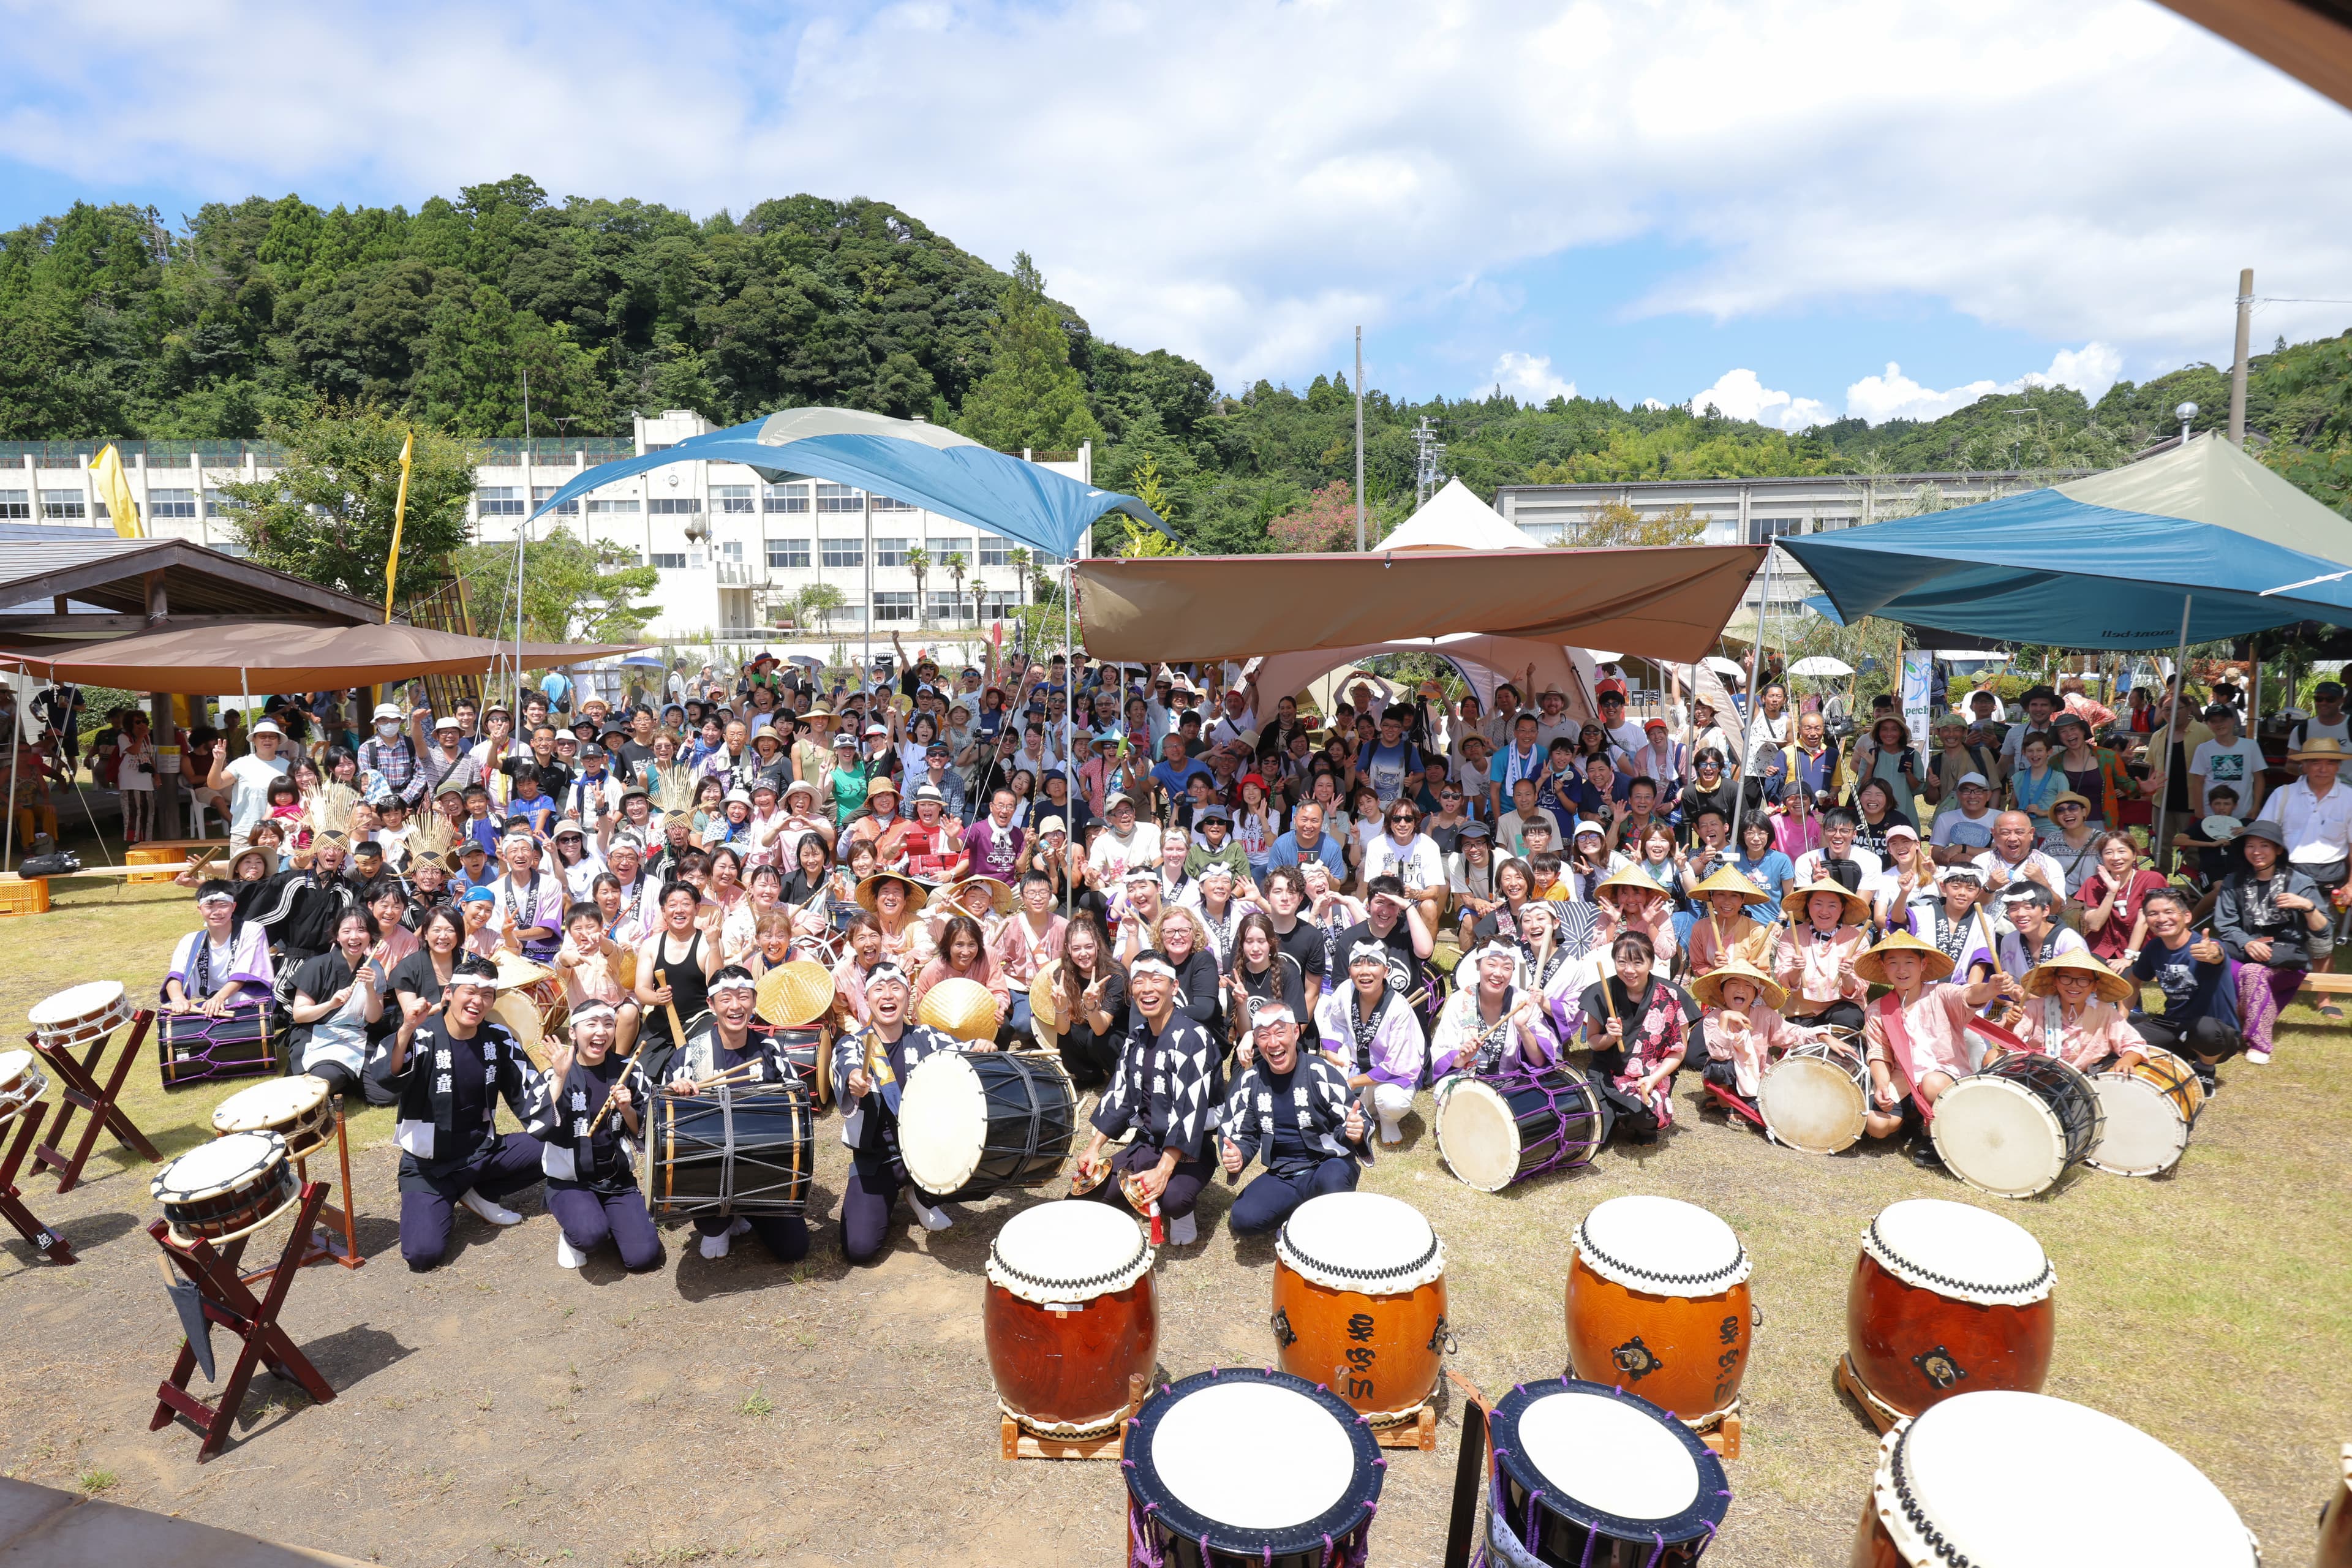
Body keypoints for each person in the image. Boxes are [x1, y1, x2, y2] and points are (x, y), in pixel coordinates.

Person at [381, 954, 552, 1272]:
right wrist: (406, 1029)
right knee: (422, 1256)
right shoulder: (423, 1035)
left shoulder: (498, 1038)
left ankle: (479, 1191)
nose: (478, 1001)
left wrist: (564, 1107)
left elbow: (528, 1092)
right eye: (470, 992)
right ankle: (451, 1194)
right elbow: (385, 1077)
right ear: (449, 993)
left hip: (481, 1152)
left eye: (487, 995)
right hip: (428, 1167)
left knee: (557, 1142)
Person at [664, 966, 813, 1262]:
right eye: (726, 999)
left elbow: (798, 1101)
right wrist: (675, 1090)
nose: (736, 1006)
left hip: (764, 1168)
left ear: (754, 1001)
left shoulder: (769, 1049)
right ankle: (716, 1223)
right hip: (710, 1170)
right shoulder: (692, 1054)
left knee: (794, 1249)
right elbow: (662, 1114)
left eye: (743, 997)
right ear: (711, 1004)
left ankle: (749, 1210)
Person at [1073, 952, 1221, 1245]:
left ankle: (1178, 1205)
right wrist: (1093, 1149)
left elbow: (1188, 1115)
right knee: (1083, 1194)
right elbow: (1119, 1096)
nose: (1147, 988)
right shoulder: (1136, 1038)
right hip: (1146, 1142)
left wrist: (1163, 1172)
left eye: (1157, 980)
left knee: (1174, 1200)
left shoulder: (1193, 1038)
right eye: (1139, 981)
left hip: (1190, 1148)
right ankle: (1143, 1180)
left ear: (1174, 987)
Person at [1216, 998, 1369, 1236]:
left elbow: (1354, 1119)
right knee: (1244, 1218)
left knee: (1336, 1179)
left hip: (1326, 1165)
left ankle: (1320, 1220)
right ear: (1256, 1040)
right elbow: (1241, 1134)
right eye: (1264, 1036)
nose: (1273, 1043)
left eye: (1280, 1032)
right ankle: (1301, 1213)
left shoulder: (1319, 1072)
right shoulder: (1250, 1081)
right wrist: (1237, 1154)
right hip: (1283, 1173)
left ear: (1296, 1032)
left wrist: (1356, 1133)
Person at [1856, 929, 2002, 1166]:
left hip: (1944, 1078)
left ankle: (1935, 1137)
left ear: (1923, 965)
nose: (1901, 970)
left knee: (1932, 1083)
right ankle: (1913, 1119)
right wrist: (1882, 1084)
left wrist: (1990, 988)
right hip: (1904, 1080)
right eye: (1893, 962)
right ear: (1883, 967)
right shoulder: (1877, 1008)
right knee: (1876, 1125)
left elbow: (1970, 995)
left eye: (1909, 962)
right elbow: (1879, 1053)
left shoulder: (1942, 994)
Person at [537, 1001, 662, 1273]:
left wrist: (628, 1109)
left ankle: (605, 1216)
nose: (601, 1032)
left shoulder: (629, 1069)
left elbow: (643, 1128)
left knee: (644, 1258)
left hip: (616, 1178)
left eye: (608, 1024)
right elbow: (540, 1126)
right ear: (573, 1033)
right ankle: (575, 1232)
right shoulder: (556, 1072)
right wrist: (558, 1078)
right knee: (590, 1236)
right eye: (591, 1024)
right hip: (570, 1181)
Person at [2212, 819, 2327, 1066]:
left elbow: (2324, 930)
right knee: (2212, 959)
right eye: (2250, 845)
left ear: (2278, 849)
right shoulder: (2234, 881)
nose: (2256, 852)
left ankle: (2258, 1041)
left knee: (2254, 974)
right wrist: (2248, 943)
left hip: (2284, 957)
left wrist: (2306, 906)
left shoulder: (2299, 883)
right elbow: (2225, 924)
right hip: (2244, 952)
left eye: (2264, 845)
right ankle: (2216, 1028)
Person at [1577, 932, 1697, 1145]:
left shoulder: (1672, 995)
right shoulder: (1600, 991)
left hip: (1650, 1075)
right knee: (1594, 1133)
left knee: (1644, 1118)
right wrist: (1611, 1038)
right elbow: (1594, 1042)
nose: (1629, 970)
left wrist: (1653, 1079)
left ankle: (1630, 1118)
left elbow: (1678, 1051)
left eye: (1638, 963)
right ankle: (1613, 1116)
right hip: (1607, 1073)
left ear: (1651, 962)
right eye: (1621, 962)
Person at [2125, 888, 2241, 1093]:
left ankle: (2205, 1068)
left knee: (2205, 1030)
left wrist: (2213, 953)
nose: (2162, 919)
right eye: (2153, 914)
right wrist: (2119, 1021)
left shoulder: (2205, 946)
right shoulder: (2154, 948)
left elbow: (2217, 954)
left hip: (2218, 1035)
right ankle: (2178, 1058)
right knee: (2121, 1037)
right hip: (2174, 1027)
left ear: (2187, 916)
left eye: (2169, 912)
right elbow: (2133, 982)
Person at [1312, 940, 1425, 1145]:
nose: (1365, 972)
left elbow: (1398, 1065)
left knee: (1391, 1102)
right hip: (1355, 1065)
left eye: (1373, 964)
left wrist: (1354, 1082)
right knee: (1319, 1091)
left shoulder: (1398, 1009)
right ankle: (1365, 1109)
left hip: (1390, 1077)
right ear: (1349, 970)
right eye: (1358, 965)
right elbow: (1332, 1019)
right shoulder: (1346, 990)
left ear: (1386, 970)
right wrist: (1330, 1051)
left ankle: (1388, 1119)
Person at [285, 907, 388, 1102]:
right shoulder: (318, 965)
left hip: (355, 1038)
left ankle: (346, 1080)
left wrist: (369, 988)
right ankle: (341, 1078)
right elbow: (299, 1015)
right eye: (347, 931)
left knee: (385, 1094)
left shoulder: (374, 968)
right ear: (337, 936)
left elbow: (373, 1018)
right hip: (317, 1037)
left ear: (371, 935)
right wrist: (330, 1005)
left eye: (361, 930)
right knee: (330, 1077)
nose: (354, 937)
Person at [1690, 957, 1811, 1114]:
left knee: (1775, 1112)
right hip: (1729, 1076)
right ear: (1722, 989)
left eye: (1748, 986)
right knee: (1719, 1067)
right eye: (1734, 984)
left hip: (1757, 1077)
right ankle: (1726, 1105)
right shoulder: (1714, 1018)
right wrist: (1725, 1018)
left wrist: (1823, 1036)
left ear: (1755, 994)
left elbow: (1792, 1033)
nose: (1741, 990)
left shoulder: (1765, 1015)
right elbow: (1719, 1054)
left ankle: (1742, 1104)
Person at [1430, 941, 1556, 1080]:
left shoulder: (1523, 1002)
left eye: (1506, 968)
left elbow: (1539, 1062)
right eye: (1491, 965)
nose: (1498, 974)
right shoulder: (1459, 1000)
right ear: (1478, 965)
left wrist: (1522, 1027)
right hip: (1464, 1080)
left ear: (1513, 971)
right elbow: (1442, 1053)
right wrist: (1462, 1058)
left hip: (1511, 1082)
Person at [2008, 949, 2144, 1074]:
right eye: (2066, 978)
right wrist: (2010, 1024)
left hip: (2085, 1078)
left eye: (2083, 980)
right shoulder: (2036, 1007)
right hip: (2036, 1073)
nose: (2074, 985)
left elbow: (2134, 1043)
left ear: (2094, 986)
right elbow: (2010, 1040)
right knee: (1992, 1056)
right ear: (2055, 980)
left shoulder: (2105, 1013)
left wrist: (2126, 1060)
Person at [163, 880, 274, 1017]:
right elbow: (176, 976)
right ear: (200, 909)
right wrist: (178, 999)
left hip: (245, 998)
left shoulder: (251, 930)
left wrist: (219, 998)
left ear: (234, 907)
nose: (217, 912)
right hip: (212, 1001)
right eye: (209, 907)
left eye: (223, 906)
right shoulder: (190, 940)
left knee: (240, 998)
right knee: (170, 1010)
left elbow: (244, 973)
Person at [1773, 879, 1871, 1032]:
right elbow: (1783, 978)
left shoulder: (1856, 939)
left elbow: (1861, 986)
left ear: (1842, 908)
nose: (1824, 911)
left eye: (1832, 906)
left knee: (1845, 1021)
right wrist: (1795, 970)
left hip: (1843, 1007)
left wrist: (1847, 977)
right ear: (1808, 905)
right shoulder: (1791, 935)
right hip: (1802, 1010)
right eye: (1818, 904)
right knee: (1796, 1042)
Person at [2188, 703, 2266, 820]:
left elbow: (2259, 778)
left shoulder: (2250, 746)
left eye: (2223, 720)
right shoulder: (2203, 749)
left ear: (2233, 720)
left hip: (2244, 814)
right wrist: (2199, 809)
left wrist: (2256, 806)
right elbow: (2198, 782)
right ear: (2208, 724)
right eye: (2214, 721)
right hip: (2212, 814)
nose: (2219, 724)